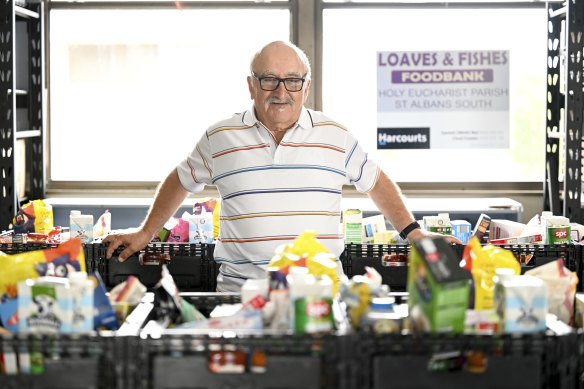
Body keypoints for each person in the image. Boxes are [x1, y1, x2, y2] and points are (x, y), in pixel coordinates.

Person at [103, 40, 459, 292]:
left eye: (293, 80)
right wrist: (146, 232)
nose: (281, 91)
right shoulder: (221, 137)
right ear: (251, 85)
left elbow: (376, 181)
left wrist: (413, 233)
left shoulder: (334, 136)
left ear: (305, 87)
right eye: (269, 79)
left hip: (321, 291)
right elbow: (180, 180)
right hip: (242, 293)